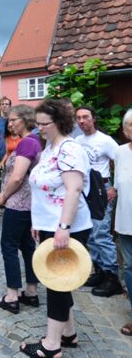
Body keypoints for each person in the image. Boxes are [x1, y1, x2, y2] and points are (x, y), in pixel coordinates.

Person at [20, 99, 92, 357]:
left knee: (57, 285)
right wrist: (39, 223)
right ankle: (68, 334)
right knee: (60, 279)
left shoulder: (69, 149)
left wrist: (63, 227)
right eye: (37, 124)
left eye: (44, 124)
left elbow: (73, 190)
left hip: (68, 226)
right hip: (52, 225)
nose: (39, 128)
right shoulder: (51, 147)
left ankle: (52, 345)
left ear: (59, 122)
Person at [0, 105, 41, 314]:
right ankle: (31, 292)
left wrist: (2, 197)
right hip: (28, 205)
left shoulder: (27, 143)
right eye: (9, 120)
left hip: (18, 204)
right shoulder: (33, 141)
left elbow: (18, 177)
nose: (10, 124)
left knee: (9, 246)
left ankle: (12, 296)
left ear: (26, 119)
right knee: (27, 246)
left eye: (14, 120)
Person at [75, 106, 124, 297]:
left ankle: (113, 279)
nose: (81, 121)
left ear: (93, 118)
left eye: (85, 117)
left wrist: (115, 187)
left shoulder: (105, 140)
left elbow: (122, 162)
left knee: (102, 232)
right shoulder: (77, 141)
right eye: (78, 118)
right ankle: (100, 272)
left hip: (102, 189)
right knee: (89, 233)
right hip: (84, 189)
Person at [114, 109, 132, 336]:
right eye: (129, 125)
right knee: (129, 268)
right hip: (126, 221)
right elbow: (118, 186)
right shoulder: (119, 152)